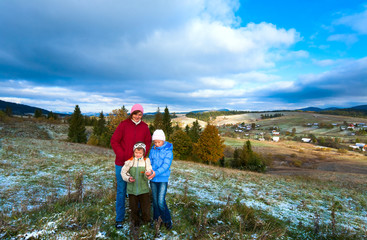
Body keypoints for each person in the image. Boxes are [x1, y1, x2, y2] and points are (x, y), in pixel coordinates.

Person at [111, 104, 152, 229]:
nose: (137, 116)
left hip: (137, 164)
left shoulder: (145, 127)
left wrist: (141, 157)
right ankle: (119, 219)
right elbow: (114, 141)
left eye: (140, 114)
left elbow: (148, 142)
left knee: (137, 191)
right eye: (135, 114)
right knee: (121, 191)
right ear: (131, 113)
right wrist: (123, 155)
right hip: (122, 163)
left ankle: (137, 217)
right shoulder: (123, 125)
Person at [121, 142, 155, 227]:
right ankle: (135, 222)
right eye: (136, 152)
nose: (138, 154)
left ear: (143, 152)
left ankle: (146, 221)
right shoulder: (130, 162)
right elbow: (123, 172)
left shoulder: (146, 161)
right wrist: (128, 178)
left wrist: (147, 174)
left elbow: (149, 171)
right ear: (133, 152)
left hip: (143, 189)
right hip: (132, 190)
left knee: (145, 207)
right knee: (133, 208)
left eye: (140, 153)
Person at [148, 129, 173, 230]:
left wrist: (155, 173)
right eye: (155, 142)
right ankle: (156, 219)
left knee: (160, 201)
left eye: (159, 142)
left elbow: (166, 165)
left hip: (162, 179)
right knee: (155, 200)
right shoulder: (152, 150)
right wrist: (149, 171)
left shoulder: (168, 151)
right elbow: (149, 162)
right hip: (153, 179)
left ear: (163, 140)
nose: (157, 144)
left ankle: (167, 220)